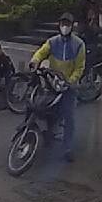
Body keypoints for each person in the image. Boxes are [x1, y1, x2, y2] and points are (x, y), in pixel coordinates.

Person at [30, 12, 85, 162]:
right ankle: (45, 133)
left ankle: (68, 148)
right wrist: (35, 61)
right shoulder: (52, 42)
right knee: (39, 106)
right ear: (59, 25)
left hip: (68, 87)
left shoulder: (79, 44)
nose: (65, 27)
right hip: (52, 83)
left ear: (72, 26)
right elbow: (41, 52)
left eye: (67, 24)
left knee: (69, 117)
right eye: (62, 24)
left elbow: (79, 68)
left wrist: (70, 81)